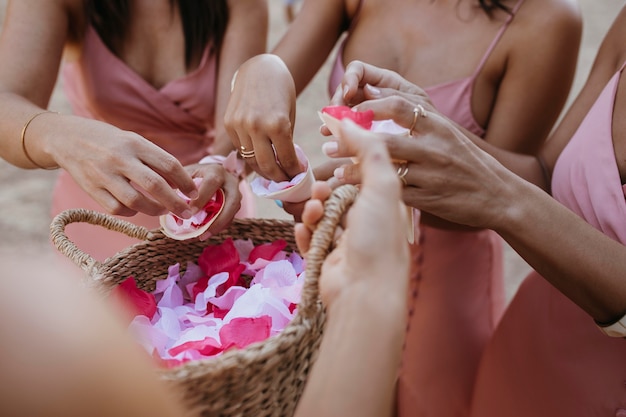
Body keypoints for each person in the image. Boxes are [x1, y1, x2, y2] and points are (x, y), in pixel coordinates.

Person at [225, 1, 581, 415]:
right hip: (344, 261)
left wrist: (379, 178)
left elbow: (520, 188)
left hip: (447, 275)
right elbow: (272, 82)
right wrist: (262, 69)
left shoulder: (549, 19)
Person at [323, 4, 626, 413]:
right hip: (528, 351)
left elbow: (511, 194)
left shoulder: (547, 21)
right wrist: (432, 129)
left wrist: (501, 198)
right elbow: (545, 175)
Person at [0, 128, 411, 417]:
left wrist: (223, 152)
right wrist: (61, 134)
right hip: (102, 200)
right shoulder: (35, 333)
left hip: (206, 206)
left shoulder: (35, 321)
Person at [0, 0, 267, 262]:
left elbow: (238, 120)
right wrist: (64, 136)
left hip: (206, 212)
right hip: (98, 218)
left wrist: (219, 164)